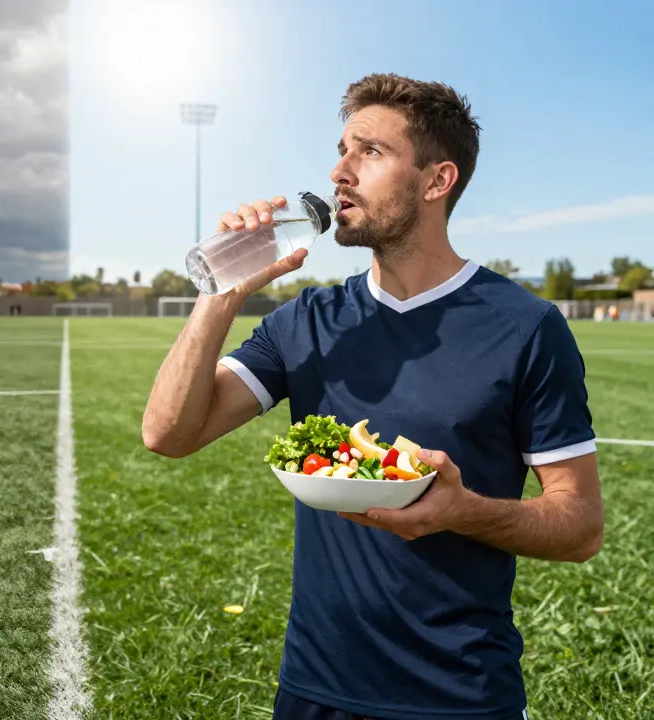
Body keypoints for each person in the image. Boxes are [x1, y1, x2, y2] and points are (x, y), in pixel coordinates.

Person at [143, 73, 603, 720]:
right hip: (312, 689)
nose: (340, 172)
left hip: (461, 699)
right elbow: (169, 433)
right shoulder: (305, 322)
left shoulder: (526, 327)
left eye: (371, 151)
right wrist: (221, 291)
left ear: (437, 181)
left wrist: (463, 510)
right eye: (342, 150)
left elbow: (581, 526)